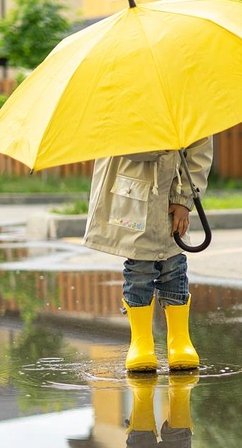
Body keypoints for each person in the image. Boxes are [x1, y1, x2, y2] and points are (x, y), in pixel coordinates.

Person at [83, 137, 214, 371]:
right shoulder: (122, 105)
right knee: (139, 269)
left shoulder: (187, 105)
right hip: (134, 196)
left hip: (172, 194)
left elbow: (200, 151)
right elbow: (118, 144)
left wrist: (184, 199)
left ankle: (179, 339)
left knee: (174, 266)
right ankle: (141, 343)